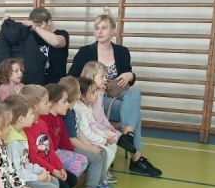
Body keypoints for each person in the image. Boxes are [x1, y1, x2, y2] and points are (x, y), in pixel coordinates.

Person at [68, 9, 161, 177]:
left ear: (113, 31)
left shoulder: (122, 51)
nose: (99, 31)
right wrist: (94, 86)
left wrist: (130, 75)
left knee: (134, 93)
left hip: (117, 94)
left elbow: (128, 79)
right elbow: (72, 79)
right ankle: (136, 157)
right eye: (97, 28)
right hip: (96, 98)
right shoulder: (85, 52)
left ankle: (127, 135)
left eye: (104, 28)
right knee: (135, 114)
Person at [20, 85, 81, 188]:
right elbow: (34, 157)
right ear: (35, 107)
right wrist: (53, 170)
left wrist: (59, 168)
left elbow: (50, 150)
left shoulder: (42, 124)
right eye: (46, 102)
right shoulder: (27, 128)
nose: (49, 104)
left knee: (72, 179)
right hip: (38, 168)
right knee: (62, 186)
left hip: (48, 166)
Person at [2, 94, 58, 188]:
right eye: (31, 114)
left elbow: (25, 163)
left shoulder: (20, 133)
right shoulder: (13, 142)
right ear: (21, 119)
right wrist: (38, 178)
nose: (34, 116)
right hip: (18, 182)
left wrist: (40, 171)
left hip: (26, 175)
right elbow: (17, 172)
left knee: (54, 182)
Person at [0, 7, 69, 85]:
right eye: (35, 24)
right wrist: (9, 25)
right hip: (35, 84)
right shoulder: (29, 36)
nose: (38, 27)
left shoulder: (61, 33)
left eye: (40, 25)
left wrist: (35, 27)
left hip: (56, 85)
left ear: (49, 22)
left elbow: (57, 42)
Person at [74, 78, 119, 188]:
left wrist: (104, 137)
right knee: (101, 153)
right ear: (82, 95)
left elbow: (93, 127)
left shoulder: (87, 107)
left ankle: (99, 182)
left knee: (104, 151)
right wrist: (103, 139)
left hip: (89, 139)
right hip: (83, 142)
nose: (96, 95)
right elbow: (85, 133)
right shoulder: (80, 110)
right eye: (93, 92)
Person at [42, 83, 89, 179]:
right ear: (52, 103)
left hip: (59, 151)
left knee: (83, 160)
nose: (68, 104)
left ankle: (69, 181)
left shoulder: (59, 117)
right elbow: (48, 148)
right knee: (76, 165)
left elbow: (65, 139)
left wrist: (71, 153)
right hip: (51, 154)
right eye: (64, 101)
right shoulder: (45, 119)